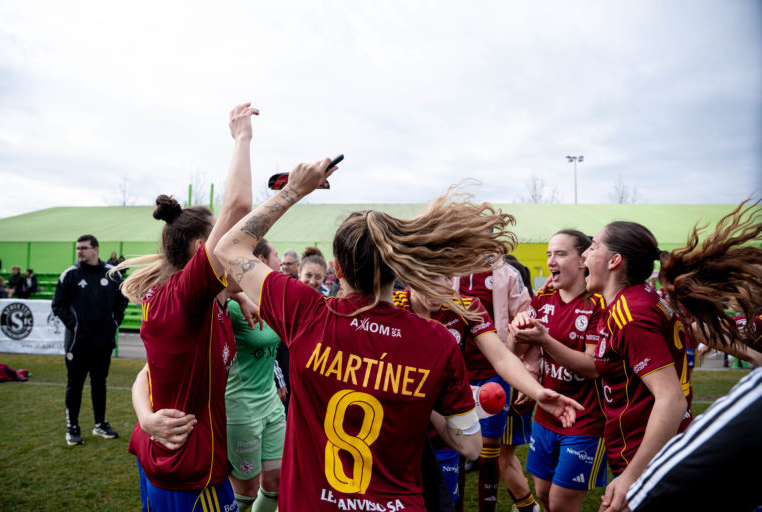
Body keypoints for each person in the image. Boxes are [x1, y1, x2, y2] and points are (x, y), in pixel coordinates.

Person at [215, 161, 578, 511]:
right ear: (398, 268)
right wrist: (424, 402)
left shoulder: (305, 312)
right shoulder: (436, 341)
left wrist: (294, 190)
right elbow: (470, 447)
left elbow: (228, 247)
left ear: (336, 269)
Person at [122, 102, 258, 511]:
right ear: (204, 249)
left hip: (178, 464)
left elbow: (147, 373)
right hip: (188, 474)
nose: (240, 248)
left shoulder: (200, 301)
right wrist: (242, 138)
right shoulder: (184, 297)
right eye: (229, 241)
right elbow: (239, 207)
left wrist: (145, 418)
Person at [512, 221, 692, 512]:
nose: (585, 255)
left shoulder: (630, 314)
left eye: (593, 247)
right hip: (646, 452)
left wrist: (631, 476)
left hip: (648, 457)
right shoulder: (633, 300)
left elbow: (671, 399)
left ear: (614, 261)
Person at [622, 200, 762, 511]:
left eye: (748, 283)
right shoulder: (741, 323)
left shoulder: (641, 308)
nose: (737, 292)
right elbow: (707, 330)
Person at [393, 280, 583, 508]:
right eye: (432, 275)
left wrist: (538, 391)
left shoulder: (466, 307)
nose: (441, 285)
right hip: (397, 433)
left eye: (447, 275)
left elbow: (501, 357)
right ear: (412, 273)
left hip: (443, 437)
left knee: (444, 503)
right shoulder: (391, 306)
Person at [511, 231, 608, 512]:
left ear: (582, 260)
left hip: (586, 419)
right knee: (543, 493)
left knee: (561, 502)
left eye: (560, 254)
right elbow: (514, 352)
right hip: (546, 416)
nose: (551, 261)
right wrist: (517, 329)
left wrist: (544, 340)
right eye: (549, 254)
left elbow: (592, 367)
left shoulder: (598, 304)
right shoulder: (543, 298)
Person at [459, 259, 539, 512]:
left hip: (496, 372)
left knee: (490, 453)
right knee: (455, 449)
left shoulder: (507, 274)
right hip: (457, 373)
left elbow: (526, 321)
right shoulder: (447, 268)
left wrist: (530, 372)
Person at [225, 238, 286, 512]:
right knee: (246, 491)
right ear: (261, 260)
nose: (280, 261)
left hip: (271, 402)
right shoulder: (234, 306)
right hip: (242, 408)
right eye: (276, 255)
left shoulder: (272, 298)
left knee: (275, 483)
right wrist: (238, 296)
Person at [52, 234, 128, 446]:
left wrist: (114, 322)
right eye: (77, 248)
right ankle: (72, 427)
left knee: (99, 383)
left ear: (95, 249)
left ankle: (100, 424)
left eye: (83, 248)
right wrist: (74, 325)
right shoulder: (70, 275)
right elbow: (57, 305)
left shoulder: (112, 273)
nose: (79, 252)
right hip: (78, 343)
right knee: (75, 385)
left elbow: (122, 301)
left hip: (102, 342)